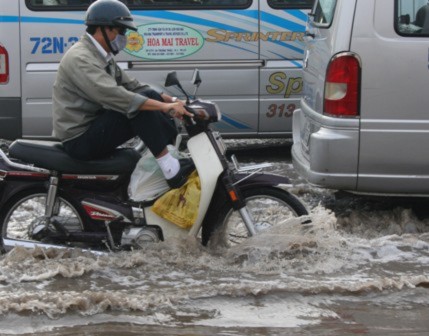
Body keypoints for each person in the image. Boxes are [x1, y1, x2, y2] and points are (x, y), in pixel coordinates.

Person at [52, 0, 195, 189]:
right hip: (79, 139)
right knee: (137, 107)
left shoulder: (99, 54)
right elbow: (114, 95)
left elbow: (132, 85)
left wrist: (174, 101)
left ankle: (169, 155)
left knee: (148, 94)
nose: (124, 37)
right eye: (122, 31)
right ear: (106, 29)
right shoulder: (81, 58)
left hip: (93, 127)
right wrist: (163, 107)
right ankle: (170, 169)